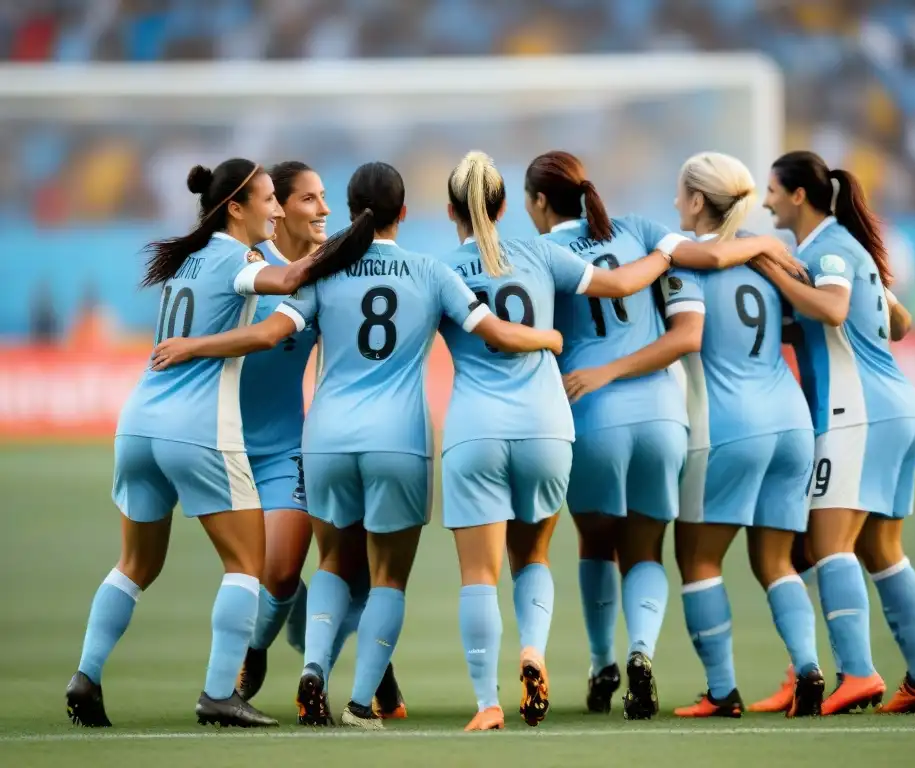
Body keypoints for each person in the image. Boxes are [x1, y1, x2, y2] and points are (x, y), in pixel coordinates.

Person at [151, 161, 562, 730]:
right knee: (388, 578)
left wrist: (195, 346)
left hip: (326, 440)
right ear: (405, 213)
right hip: (398, 439)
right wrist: (550, 336)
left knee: (334, 566)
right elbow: (493, 331)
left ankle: (313, 669)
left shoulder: (327, 274)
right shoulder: (429, 270)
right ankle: (362, 702)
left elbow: (270, 334)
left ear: (348, 211)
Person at [66, 157, 355, 728]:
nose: (275, 210)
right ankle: (220, 694)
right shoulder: (237, 257)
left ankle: (86, 676)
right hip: (194, 429)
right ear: (236, 208)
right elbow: (288, 278)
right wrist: (358, 236)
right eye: (268, 200)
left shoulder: (186, 260)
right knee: (247, 564)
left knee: (134, 564)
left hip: (138, 423)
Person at [524, 150, 797, 719]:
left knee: (596, 542)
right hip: (663, 418)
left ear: (540, 201)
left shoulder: (540, 253)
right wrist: (768, 243)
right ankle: (641, 652)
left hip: (591, 412)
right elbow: (714, 254)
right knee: (645, 550)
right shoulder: (641, 231)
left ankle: (603, 664)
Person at [438, 151, 681, 730]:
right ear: (503, 206)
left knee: (481, 574)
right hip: (550, 425)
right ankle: (538, 651)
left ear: (452, 209)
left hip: (479, 429)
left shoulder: (440, 270)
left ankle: (488, 702)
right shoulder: (544, 253)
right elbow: (623, 281)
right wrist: (666, 251)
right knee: (538, 555)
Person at [755, 151, 915, 716]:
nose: (765, 200)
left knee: (824, 545)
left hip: (854, 411)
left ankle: (858, 674)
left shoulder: (827, 251)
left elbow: (834, 310)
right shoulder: (846, 249)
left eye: (771, 190)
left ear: (797, 196)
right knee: (884, 552)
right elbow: (902, 323)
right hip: (899, 406)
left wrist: (773, 273)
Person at [640, 152, 824, 719]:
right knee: (776, 562)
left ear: (697, 201)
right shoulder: (774, 258)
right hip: (791, 422)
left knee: (697, 560)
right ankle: (810, 670)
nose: (674, 203)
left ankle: (722, 690)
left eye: (680, 193)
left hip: (726, 424)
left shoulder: (686, 262)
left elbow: (687, 336)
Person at [232, 161, 404, 718]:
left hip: (289, 444)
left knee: (285, 571)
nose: (325, 210)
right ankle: (363, 675)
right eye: (310, 199)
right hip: (225, 443)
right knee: (278, 570)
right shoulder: (242, 268)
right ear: (276, 208)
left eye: (326, 198)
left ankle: (256, 651)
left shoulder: (321, 274)